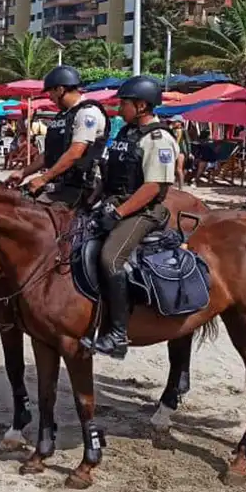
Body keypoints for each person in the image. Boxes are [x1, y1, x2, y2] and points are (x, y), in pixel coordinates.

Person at [88, 75, 179, 359]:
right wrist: (91, 201)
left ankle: (117, 334)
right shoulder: (126, 133)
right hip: (113, 204)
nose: (118, 109)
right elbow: (112, 174)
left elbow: (154, 187)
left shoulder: (159, 139)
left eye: (124, 103)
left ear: (141, 105)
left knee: (110, 258)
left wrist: (117, 214)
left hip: (143, 211)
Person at [8, 66, 108, 210]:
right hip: (59, 183)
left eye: (50, 92)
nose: (49, 97)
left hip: (81, 187)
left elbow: (75, 153)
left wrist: (43, 179)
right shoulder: (63, 115)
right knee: (12, 201)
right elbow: (49, 154)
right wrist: (23, 173)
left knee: (35, 219)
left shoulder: (87, 113)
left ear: (60, 90)